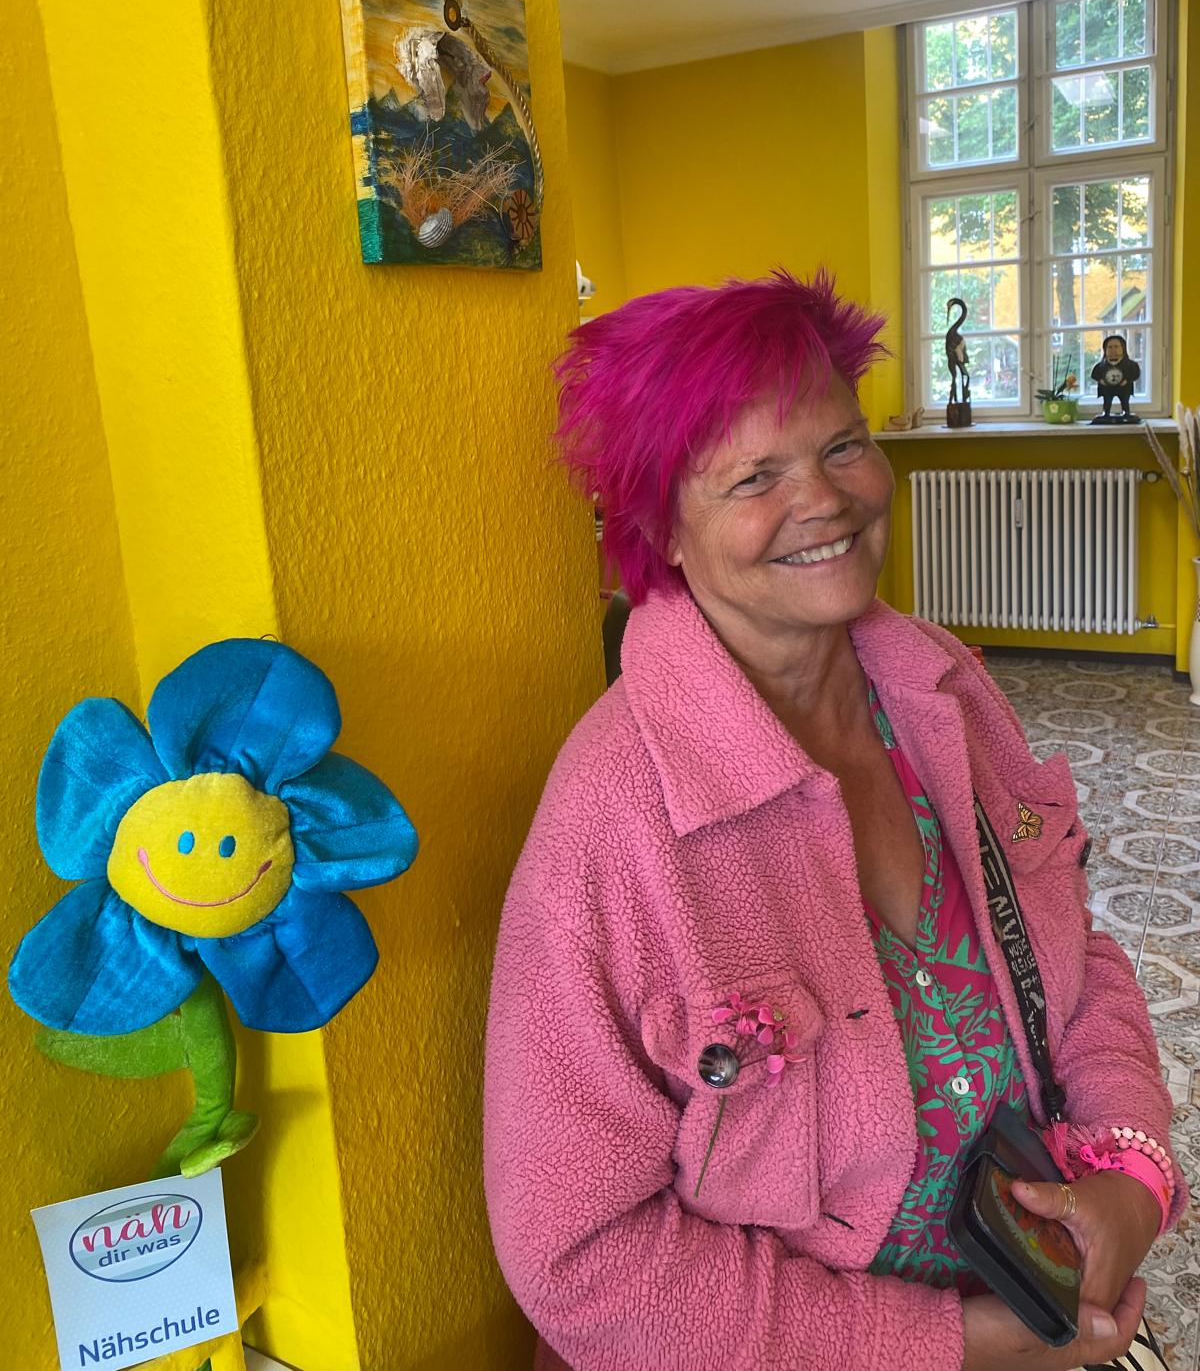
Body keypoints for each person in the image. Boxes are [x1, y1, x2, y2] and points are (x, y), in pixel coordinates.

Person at [484, 271, 1182, 1371]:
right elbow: (582, 1261)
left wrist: (1131, 1172)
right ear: (662, 529)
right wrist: (946, 1344)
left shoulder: (943, 686)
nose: (826, 498)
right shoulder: (613, 823)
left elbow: (1075, 954)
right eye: (755, 476)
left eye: (843, 445)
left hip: (1031, 1301)